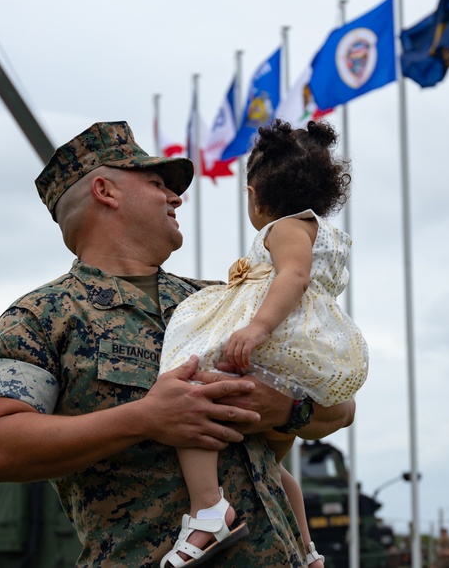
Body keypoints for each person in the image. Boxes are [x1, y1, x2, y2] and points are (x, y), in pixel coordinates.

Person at [0, 121, 357, 568]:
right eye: (157, 183)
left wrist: (286, 408)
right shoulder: (41, 318)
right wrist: (145, 418)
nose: (176, 197)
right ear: (104, 191)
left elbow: (342, 407)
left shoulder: (220, 301)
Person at [156, 119, 367, 568]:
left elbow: (293, 275)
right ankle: (307, 549)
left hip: (274, 349)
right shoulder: (319, 232)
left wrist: (257, 327)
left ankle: (208, 508)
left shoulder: (284, 230)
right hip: (300, 360)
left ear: (254, 194)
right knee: (272, 469)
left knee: (194, 394)